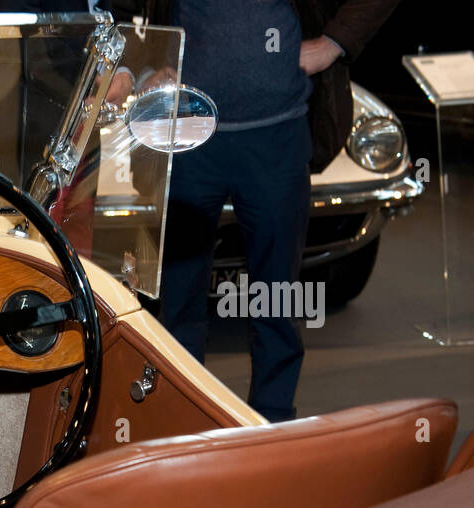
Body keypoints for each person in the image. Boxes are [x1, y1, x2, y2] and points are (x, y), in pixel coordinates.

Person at [146, 0, 397, 421]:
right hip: (188, 136)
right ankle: (182, 421)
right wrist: (145, 62)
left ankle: (273, 421)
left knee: (275, 301)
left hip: (276, 141)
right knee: (179, 300)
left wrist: (335, 42)